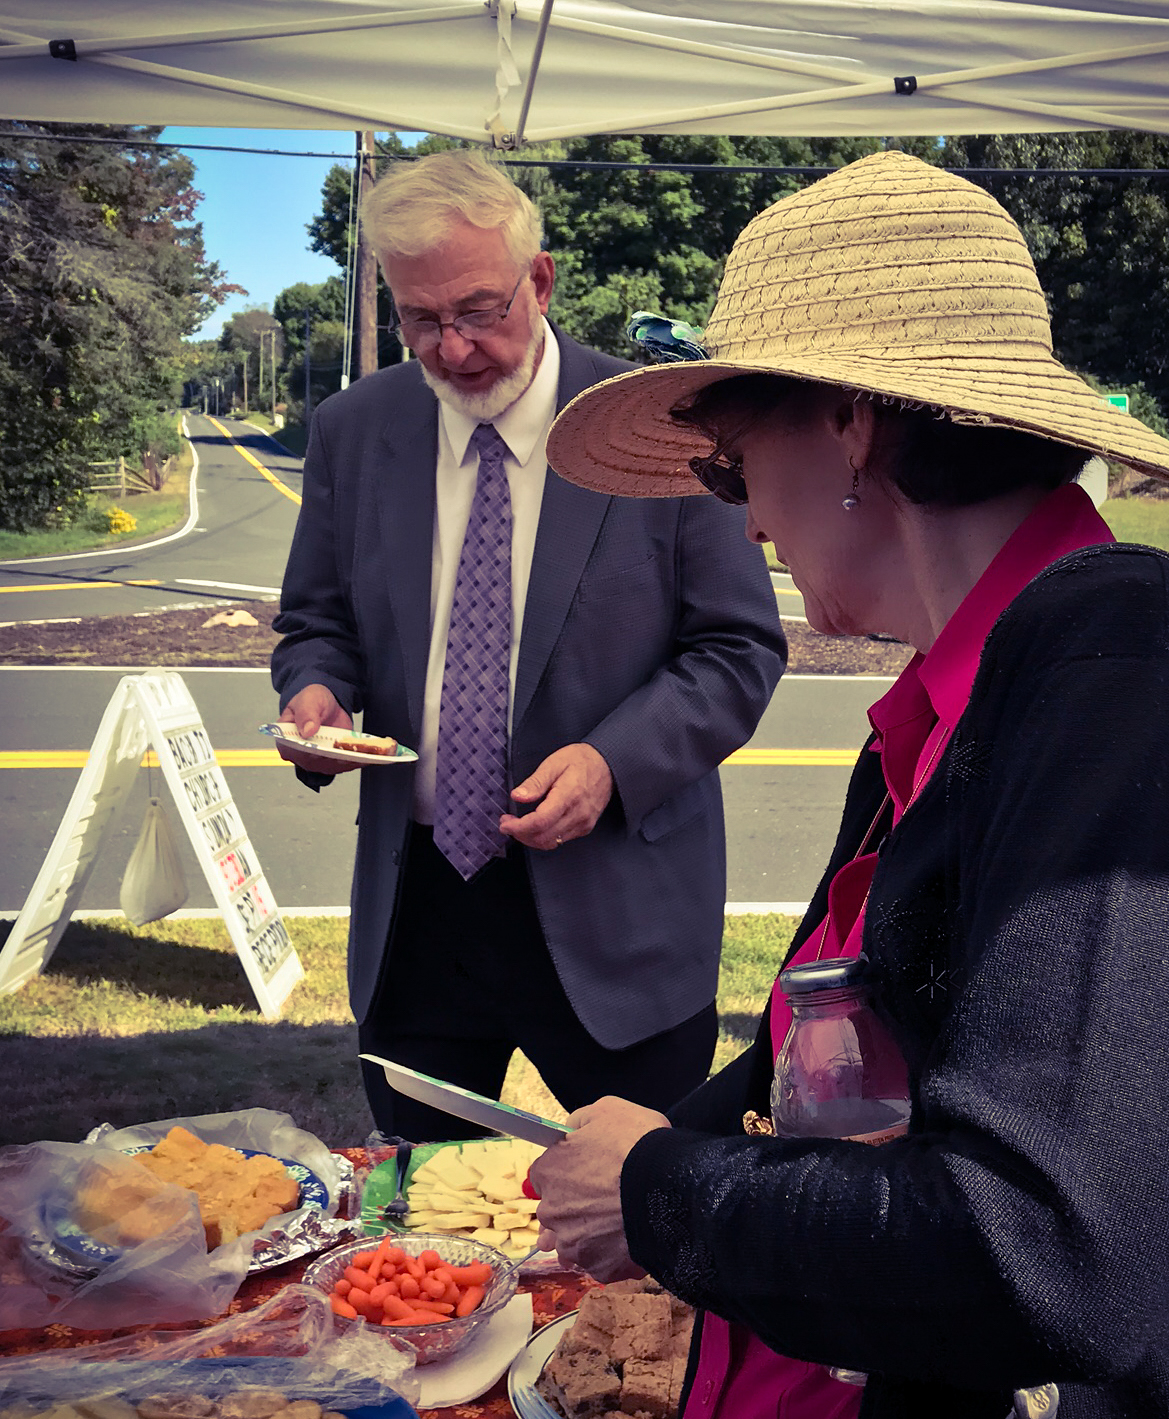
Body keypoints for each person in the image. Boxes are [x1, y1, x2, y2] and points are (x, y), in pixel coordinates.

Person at [530, 149, 1169, 1418]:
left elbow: (1044, 1251)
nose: (743, 521)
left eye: (726, 465)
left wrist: (661, 1193)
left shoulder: (1108, 666)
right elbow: (828, 1060)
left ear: (848, 424)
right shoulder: (952, 701)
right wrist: (665, 1145)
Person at [270, 149, 786, 1143]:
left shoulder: (660, 426)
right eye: (421, 319)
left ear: (538, 280)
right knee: (422, 1234)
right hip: (418, 910)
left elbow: (736, 647)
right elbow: (316, 620)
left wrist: (610, 761)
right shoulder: (353, 429)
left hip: (618, 909)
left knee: (647, 1233)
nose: (453, 348)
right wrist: (317, 694)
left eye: (476, 310)